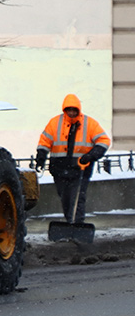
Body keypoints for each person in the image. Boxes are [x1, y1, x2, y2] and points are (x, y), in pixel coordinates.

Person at [35, 93, 111, 224]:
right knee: (65, 197)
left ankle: (77, 223)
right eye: (69, 110)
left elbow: (103, 141)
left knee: (78, 197)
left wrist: (91, 156)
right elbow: (45, 142)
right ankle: (70, 220)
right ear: (64, 110)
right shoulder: (55, 123)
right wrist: (41, 157)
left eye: (74, 110)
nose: (71, 113)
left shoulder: (89, 123)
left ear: (78, 109)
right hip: (59, 168)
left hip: (81, 167)